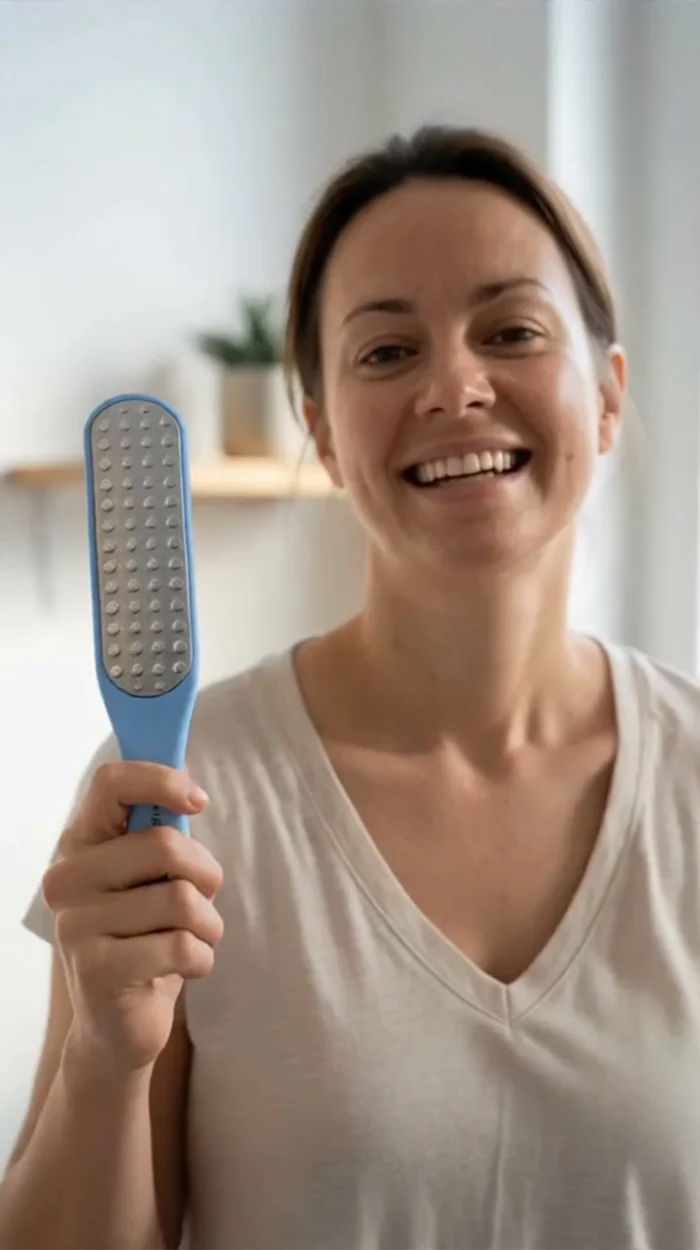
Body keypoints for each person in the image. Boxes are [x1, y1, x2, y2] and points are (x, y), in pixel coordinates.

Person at [2, 123, 700, 1250]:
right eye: (385, 352)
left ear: (608, 395)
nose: (454, 387)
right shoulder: (180, 792)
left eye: (511, 331)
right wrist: (105, 1055)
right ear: (322, 434)